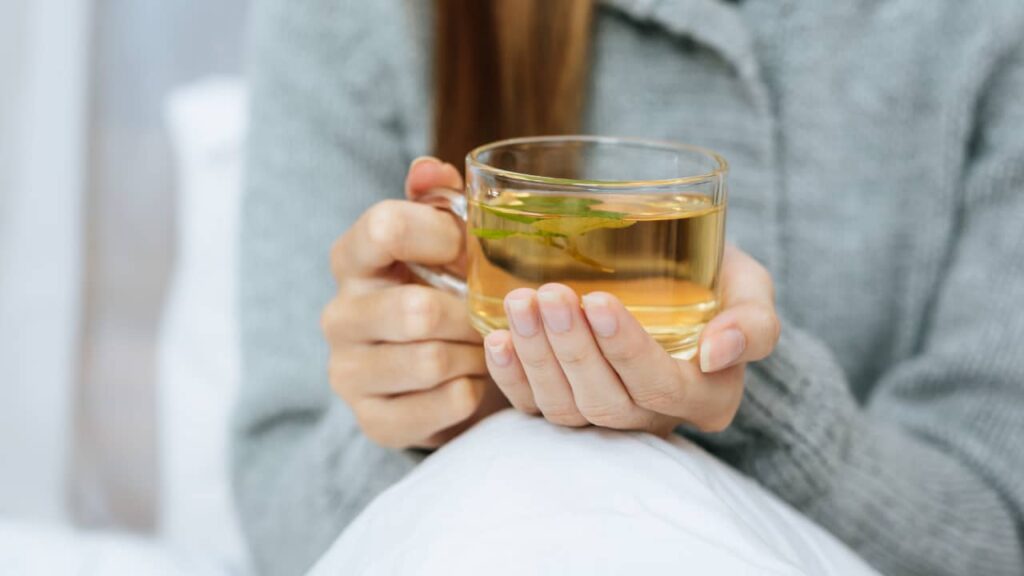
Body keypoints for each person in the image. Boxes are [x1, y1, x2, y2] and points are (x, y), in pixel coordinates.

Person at [233, 1, 1024, 575]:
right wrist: (430, 404)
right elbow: (282, 532)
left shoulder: (983, 25)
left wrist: (757, 397)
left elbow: (997, 531)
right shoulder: (356, 19)